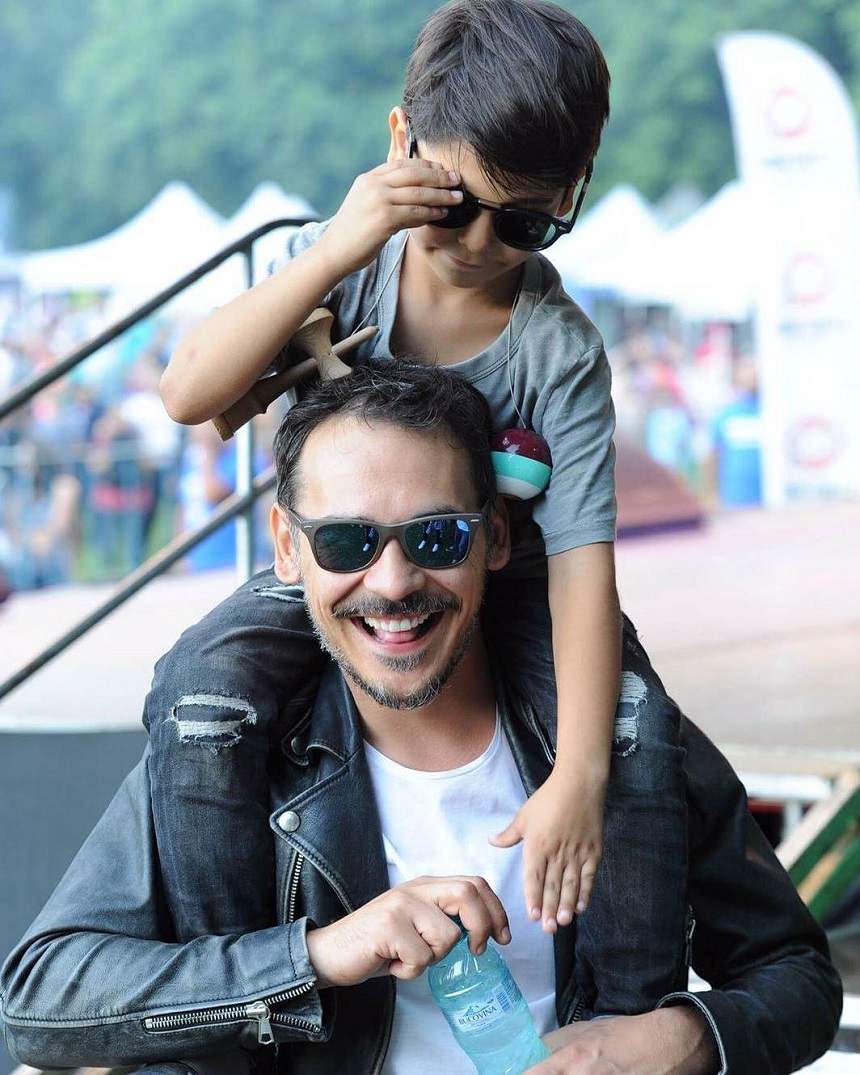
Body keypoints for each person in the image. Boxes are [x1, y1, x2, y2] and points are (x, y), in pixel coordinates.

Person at [0, 363, 842, 1075]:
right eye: (346, 542)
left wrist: (673, 1038)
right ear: (288, 549)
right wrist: (319, 953)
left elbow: (797, 974)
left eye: (437, 537)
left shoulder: (617, 734)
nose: (394, 582)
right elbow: (42, 997)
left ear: (496, 536)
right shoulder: (234, 745)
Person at [149, 0, 687, 1017]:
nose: (479, 243)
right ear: (402, 142)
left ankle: (624, 1015)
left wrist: (577, 773)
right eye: (452, 205)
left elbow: (584, 566)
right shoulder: (341, 264)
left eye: (523, 222)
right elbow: (187, 393)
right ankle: (231, 978)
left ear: (572, 193)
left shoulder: (554, 349)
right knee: (196, 685)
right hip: (333, 579)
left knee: (636, 728)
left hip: (500, 588)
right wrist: (335, 248)